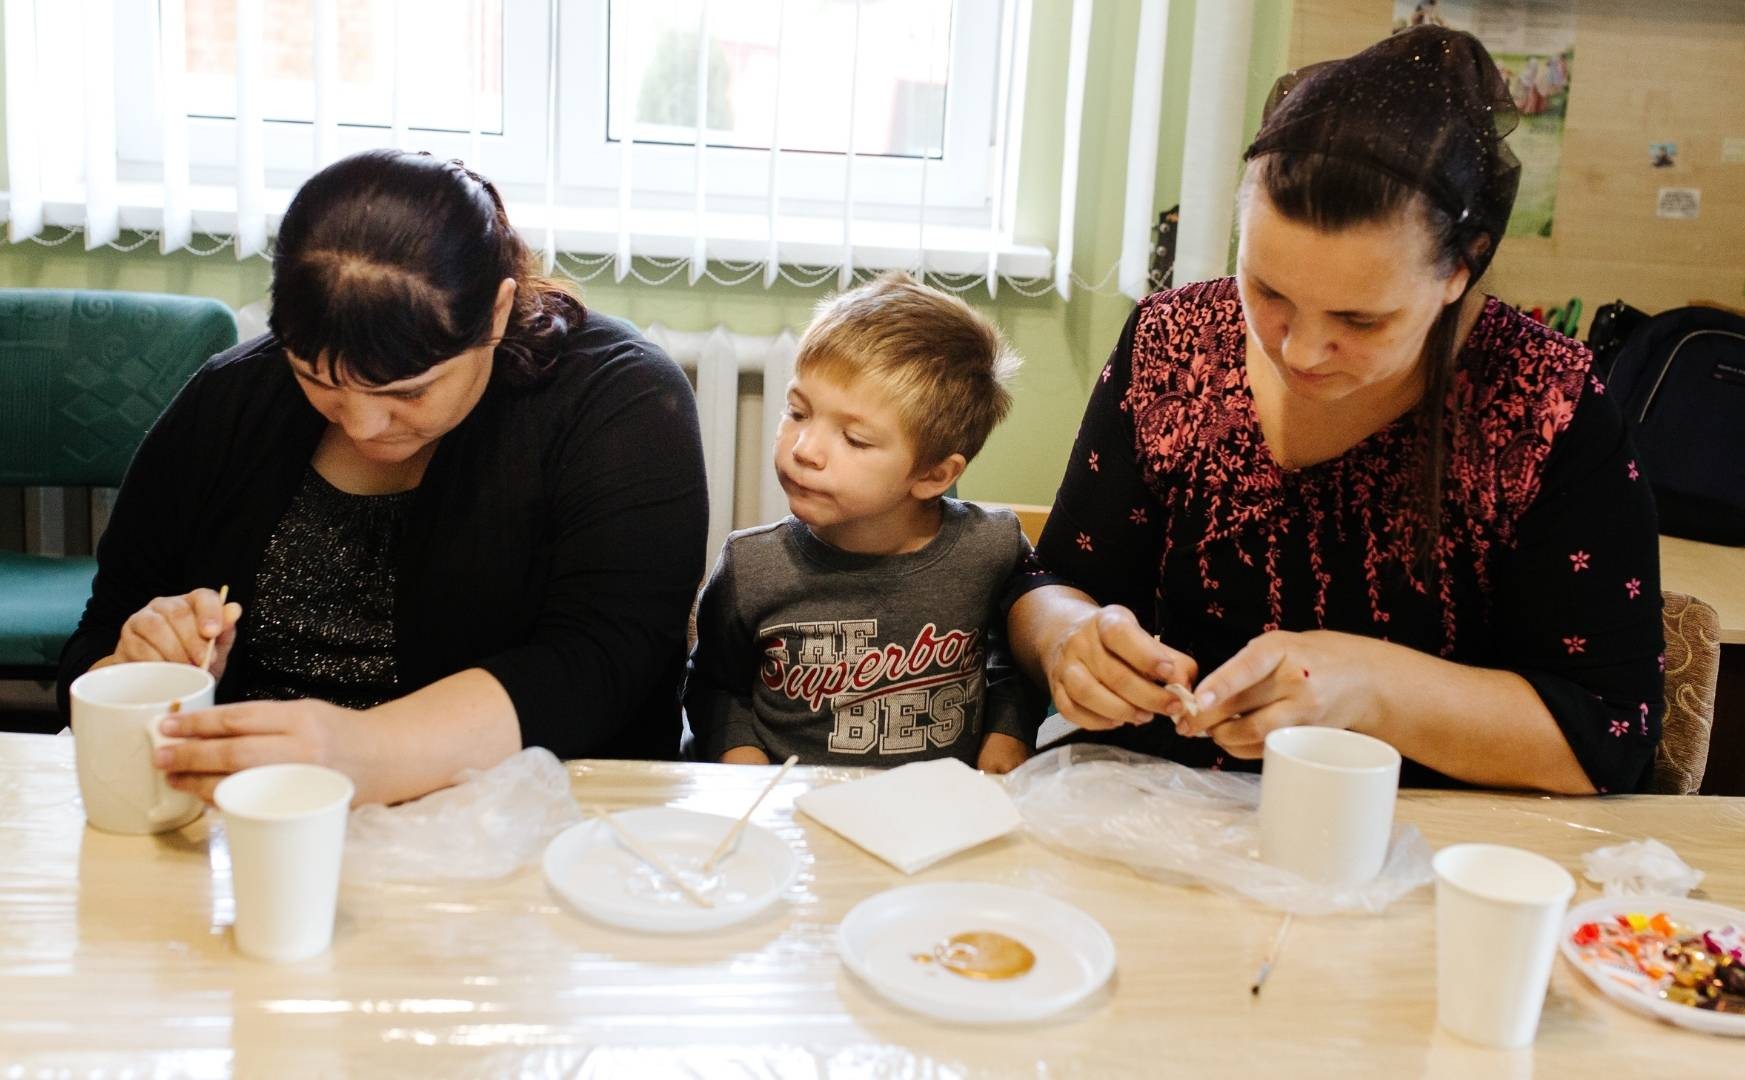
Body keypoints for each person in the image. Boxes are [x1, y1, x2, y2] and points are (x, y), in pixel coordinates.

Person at [1007, 27, 1665, 795]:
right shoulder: (1173, 343)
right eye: (1269, 292)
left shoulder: (1545, 404)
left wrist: (1370, 687)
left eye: (1360, 321)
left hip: (1415, 846)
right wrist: (1067, 641)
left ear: (1462, 267)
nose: (1302, 351)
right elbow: (1051, 580)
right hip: (1165, 819)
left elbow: (1610, 736)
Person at [57, 149, 708, 806]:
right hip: (260, 823)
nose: (365, 427)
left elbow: (602, 664)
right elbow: (100, 631)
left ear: (497, 312)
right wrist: (136, 670)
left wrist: (364, 752)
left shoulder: (619, 403)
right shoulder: (234, 397)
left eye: (409, 392)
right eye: (320, 383)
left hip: (539, 832)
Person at [684, 273, 1042, 772]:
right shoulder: (752, 566)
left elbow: (1016, 664)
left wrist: (1008, 731)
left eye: (854, 439)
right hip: (788, 815)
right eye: (797, 412)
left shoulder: (993, 549)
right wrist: (739, 754)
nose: (804, 449)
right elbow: (715, 685)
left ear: (933, 474)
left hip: (935, 819)